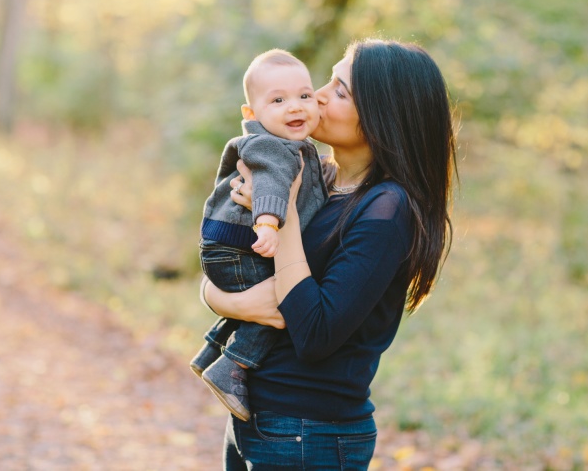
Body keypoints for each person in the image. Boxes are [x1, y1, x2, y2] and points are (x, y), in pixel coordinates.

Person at [200, 38, 458, 470]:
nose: (316, 96)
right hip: (258, 420)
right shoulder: (317, 181)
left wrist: (285, 220)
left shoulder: (387, 210)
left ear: (383, 116)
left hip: (310, 433)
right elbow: (233, 265)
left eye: (339, 91)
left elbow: (316, 333)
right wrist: (225, 300)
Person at [191, 49, 328, 422]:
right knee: (285, 298)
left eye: (304, 95)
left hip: (230, 246)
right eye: (278, 100)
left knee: (263, 297)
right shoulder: (271, 146)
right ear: (251, 115)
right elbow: (270, 180)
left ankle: (210, 351)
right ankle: (231, 365)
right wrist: (268, 221)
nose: (295, 107)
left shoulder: (298, 147)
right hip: (242, 246)